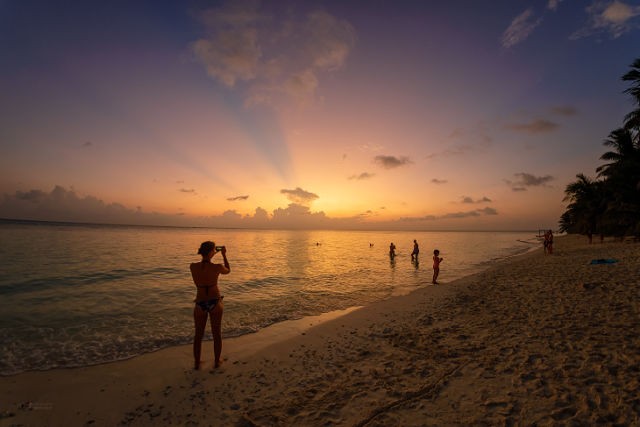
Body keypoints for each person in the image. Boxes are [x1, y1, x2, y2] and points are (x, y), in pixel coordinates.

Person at [190, 241, 230, 369]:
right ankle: (217, 360)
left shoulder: (193, 267)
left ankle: (197, 362)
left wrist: (212, 250)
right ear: (212, 252)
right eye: (214, 250)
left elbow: (206, 260)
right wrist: (223, 254)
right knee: (216, 333)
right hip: (215, 302)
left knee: (198, 334)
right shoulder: (217, 267)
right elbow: (228, 270)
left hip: (200, 303)